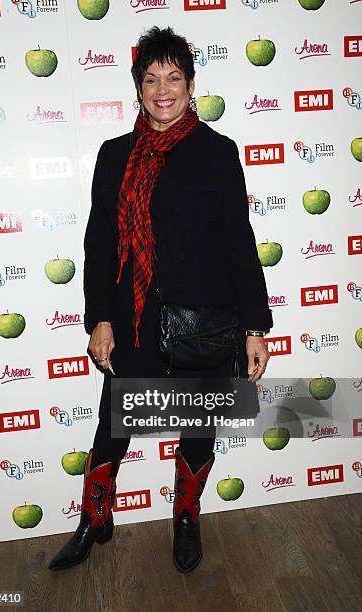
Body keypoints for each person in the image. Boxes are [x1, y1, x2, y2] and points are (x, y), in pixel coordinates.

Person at [49, 26, 273, 575]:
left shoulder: (218, 152)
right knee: (113, 426)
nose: (163, 89)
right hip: (136, 319)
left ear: (192, 84)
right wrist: (100, 318)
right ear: (138, 90)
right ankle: (95, 520)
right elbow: (100, 244)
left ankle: (187, 519)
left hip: (206, 322)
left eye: (174, 77)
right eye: (151, 79)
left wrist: (254, 327)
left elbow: (240, 241)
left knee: (198, 427)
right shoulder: (114, 155)